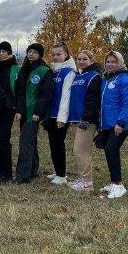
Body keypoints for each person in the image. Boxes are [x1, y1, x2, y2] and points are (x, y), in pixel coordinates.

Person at [98, 50, 128, 199]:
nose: (109, 64)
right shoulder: (106, 79)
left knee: (111, 149)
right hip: (107, 123)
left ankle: (119, 184)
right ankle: (113, 182)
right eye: (107, 62)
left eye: (113, 62)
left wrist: (121, 122)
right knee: (109, 152)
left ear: (120, 63)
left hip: (120, 123)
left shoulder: (126, 79)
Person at [14, 43, 53, 183]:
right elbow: (20, 93)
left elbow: (45, 94)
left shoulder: (44, 71)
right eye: (29, 51)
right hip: (23, 112)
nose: (31, 54)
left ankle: (23, 176)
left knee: (25, 142)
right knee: (30, 142)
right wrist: (19, 110)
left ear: (40, 55)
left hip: (34, 112)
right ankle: (32, 170)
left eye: (35, 52)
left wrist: (38, 112)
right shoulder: (23, 69)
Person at [67, 50, 102, 192]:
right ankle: (82, 179)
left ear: (91, 60)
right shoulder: (77, 76)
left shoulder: (94, 76)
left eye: (85, 59)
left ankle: (87, 183)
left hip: (86, 121)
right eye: (79, 59)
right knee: (79, 150)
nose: (81, 61)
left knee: (80, 150)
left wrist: (87, 118)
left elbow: (93, 100)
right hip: (75, 119)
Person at [45, 42, 77, 185]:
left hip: (60, 116)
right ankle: (57, 171)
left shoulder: (69, 72)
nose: (56, 57)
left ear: (66, 55)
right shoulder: (53, 71)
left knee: (58, 144)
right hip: (51, 114)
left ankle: (62, 175)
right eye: (53, 54)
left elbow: (66, 96)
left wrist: (62, 118)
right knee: (53, 144)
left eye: (59, 54)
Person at [0, 41, 20, 182]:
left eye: (4, 51)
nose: (1, 54)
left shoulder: (15, 68)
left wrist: (18, 108)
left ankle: (6, 172)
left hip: (8, 108)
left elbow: (18, 90)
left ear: (9, 53)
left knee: (3, 139)